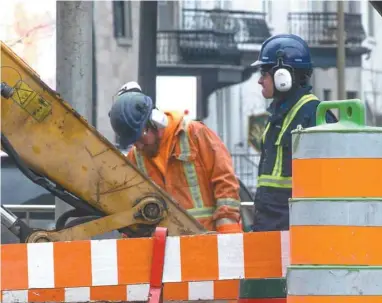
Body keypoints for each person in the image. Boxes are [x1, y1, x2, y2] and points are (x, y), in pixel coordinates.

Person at [108, 82, 242, 233]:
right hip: (166, 250)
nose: (138, 146)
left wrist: (228, 235)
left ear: (155, 122)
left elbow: (225, 182)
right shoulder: (136, 157)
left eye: (141, 138)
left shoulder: (195, 134)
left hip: (207, 241)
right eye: (133, 142)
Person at [251, 34, 337, 231]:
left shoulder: (314, 115)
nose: (259, 80)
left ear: (283, 76)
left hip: (296, 231)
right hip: (271, 226)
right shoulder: (278, 116)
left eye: (264, 73)